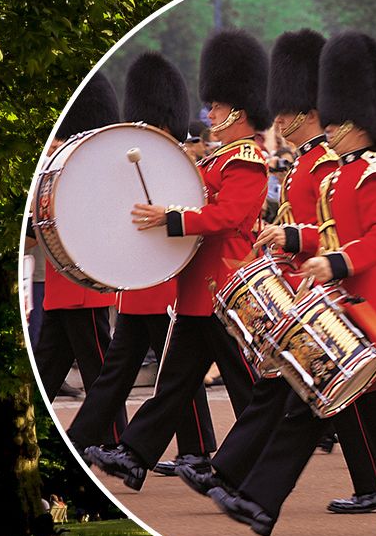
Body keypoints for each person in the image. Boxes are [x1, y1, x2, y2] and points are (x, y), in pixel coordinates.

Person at [213, 32, 376, 536]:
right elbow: (331, 232)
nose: (331, 127)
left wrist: (337, 264)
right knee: (318, 404)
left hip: (373, 312)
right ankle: (258, 502)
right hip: (340, 308)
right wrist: (293, 237)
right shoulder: (338, 176)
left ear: (360, 123)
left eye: (338, 121)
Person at [87, 31, 269, 490]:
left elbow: (226, 218)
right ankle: (134, 455)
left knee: (249, 388)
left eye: (217, 107)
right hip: (196, 289)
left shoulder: (246, 162)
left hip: (224, 286)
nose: (209, 114)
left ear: (239, 112)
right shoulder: (216, 159)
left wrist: (171, 219)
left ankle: (255, 463)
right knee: (172, 383)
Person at [66, 53, 218, 461]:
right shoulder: (132, 155)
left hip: (166, 278)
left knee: (174, 373)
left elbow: (189, 215)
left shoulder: (182, 162)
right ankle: (81, 444)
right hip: (137, 280)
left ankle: (197, 448)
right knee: (127, 373)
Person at [32, 74, 122, 404]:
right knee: (47, 368)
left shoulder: (95, 170)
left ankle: (111, 440)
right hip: (61, 284)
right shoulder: (66, 166)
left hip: (83, 284)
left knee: (98, 372)